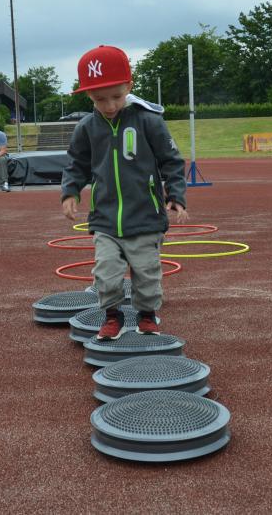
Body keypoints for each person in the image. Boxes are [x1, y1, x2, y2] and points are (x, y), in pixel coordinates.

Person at [60, 45, 188, 340]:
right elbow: (76, 164)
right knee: (106, 272)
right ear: (88, 96)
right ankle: (112, 316)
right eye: (99, 99)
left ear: (129, 86)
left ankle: (146, 315)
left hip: (145, 217)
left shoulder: (148, 120)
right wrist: (70, 192)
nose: (109, 105)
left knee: (146, 273)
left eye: (116, 96)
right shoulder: (87, 127)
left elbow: (171, 161)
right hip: (105, 219)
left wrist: (176, 196)